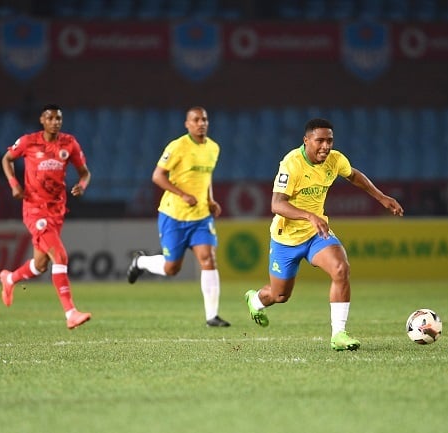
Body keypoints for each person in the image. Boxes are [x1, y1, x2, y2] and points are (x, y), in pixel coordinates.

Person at [244, 118, 404, 351]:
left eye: (329, 140)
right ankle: (256, 300)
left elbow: (353, 175)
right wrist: (309, 215)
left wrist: (382, 197)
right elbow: (276, 205)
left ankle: (339, 334)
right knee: (279, 296)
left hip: (317, 233)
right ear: (306, 140)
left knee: (341, 269)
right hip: (285, 239)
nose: (325, 146)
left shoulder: (335, 160)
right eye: (320, 140)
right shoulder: (292, 163)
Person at [126, 106, 230, 327]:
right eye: (196, 119)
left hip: (201, 216)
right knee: (172, 268)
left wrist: (210, 200)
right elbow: (157, 176)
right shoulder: (177, 146)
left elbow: (206, 177)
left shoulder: (213, 148)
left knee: (208, 259)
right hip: (174, 214)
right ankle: (141, 261)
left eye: (204, 119)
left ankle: (212, 315)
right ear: (187, 124)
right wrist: (182, 194)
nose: (201, 123)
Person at [0, 103, 92, 329]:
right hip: (34, 209)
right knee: (59, 257)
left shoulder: (69, 144)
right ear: (42, 120)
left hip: (57, 210)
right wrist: (14, 184)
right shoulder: (29, 142)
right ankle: (70, 313)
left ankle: (9, 279)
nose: (55, 122)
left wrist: (81, 185)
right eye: (50, 118)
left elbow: (85, 173)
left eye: (58, 118)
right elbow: (6, 159)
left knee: (40, 265)